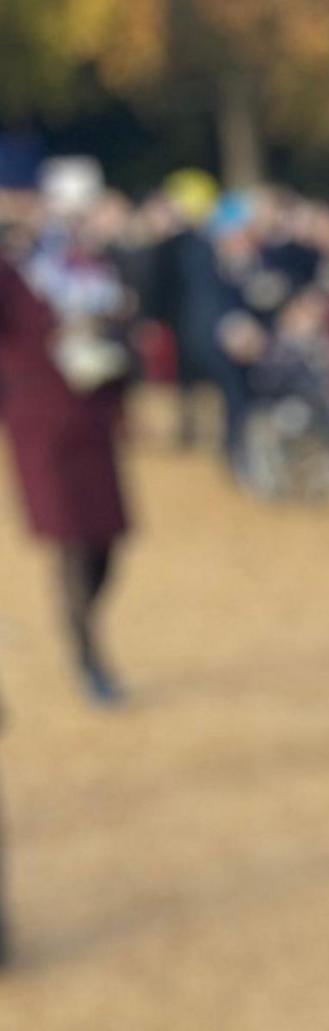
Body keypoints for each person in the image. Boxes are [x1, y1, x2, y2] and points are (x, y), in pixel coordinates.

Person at [0, 160, 135, 706]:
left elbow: (114, 318)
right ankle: (86, 653)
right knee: (72, 542)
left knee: (106, 544)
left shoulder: (82, 259)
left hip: (91, 413)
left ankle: (80, 626)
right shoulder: (14, 265)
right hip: (42, 421)